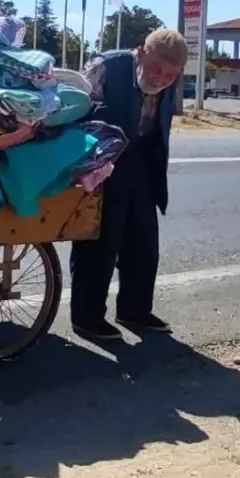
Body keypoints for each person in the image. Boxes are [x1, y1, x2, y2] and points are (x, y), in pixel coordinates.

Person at [69, 28, 189, 341]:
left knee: (144, 242)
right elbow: (73, 112)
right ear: (140, 53)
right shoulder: (107, 67)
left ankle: (135, 311)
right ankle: (87, 318)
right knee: (100, 243)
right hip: (102, 160)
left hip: (142, 161)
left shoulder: (172, 81)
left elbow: (161, 122)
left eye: (169, 74)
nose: (161, 78)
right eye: (155, 70)